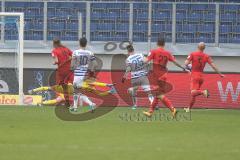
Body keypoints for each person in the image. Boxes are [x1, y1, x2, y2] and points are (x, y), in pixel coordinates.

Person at [143, 38, 187, 117]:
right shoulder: (168, 53)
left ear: (157, 43)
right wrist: (182, 67)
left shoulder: (153, 52)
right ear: (164, 44)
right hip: (164, 75)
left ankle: (173, 109)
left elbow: (146, 61)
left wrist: (141, 59)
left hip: (157, 76)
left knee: (160, 95)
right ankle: (150, 112)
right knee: (157, 94)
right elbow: (175, 62)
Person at [184, 42, 224, 112]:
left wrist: (189, 65)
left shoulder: (193, 54)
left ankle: (203, 92)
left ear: (197, 47)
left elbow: (186, 63)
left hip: (194, 75)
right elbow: (213, 65)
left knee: (193, 92)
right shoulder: (206, 56)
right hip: (201, 76)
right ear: (204, 48)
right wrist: (220, 74)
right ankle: (189, 108)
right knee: (194, 94)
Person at [122, 44, 154, 110]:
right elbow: (148, 62)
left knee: (134, 91)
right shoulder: (140, 55)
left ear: (128, 51)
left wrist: (124, 76)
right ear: (133, 50)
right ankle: (153, 104)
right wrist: (147, 70)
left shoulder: (128, 59)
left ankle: (135, 105)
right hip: (143, 76)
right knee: (148, 92)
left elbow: (128, 69)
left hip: (134, 78)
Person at [70, 37, 98, 112]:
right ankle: (75, 107)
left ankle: (91, 103)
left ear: (79, 43)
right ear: (86, 44)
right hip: (85, 75)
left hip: (77, 74)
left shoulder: (75, 52)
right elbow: (95, 64)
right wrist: (91, 71)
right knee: (78, 91)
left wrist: (72, 68)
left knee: (76, 91)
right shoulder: (90, 53)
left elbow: (72, 65)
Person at [51, 39, 73, 107]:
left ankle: (65, 101)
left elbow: (56, 61)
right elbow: (73, 56)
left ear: (54, 44)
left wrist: (54, 62)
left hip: (62, 71)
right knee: (73, 85)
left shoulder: (54, 51)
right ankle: (72, 102)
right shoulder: (66, 49)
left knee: (63, 87)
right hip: (69, 70)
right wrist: (68, 60)